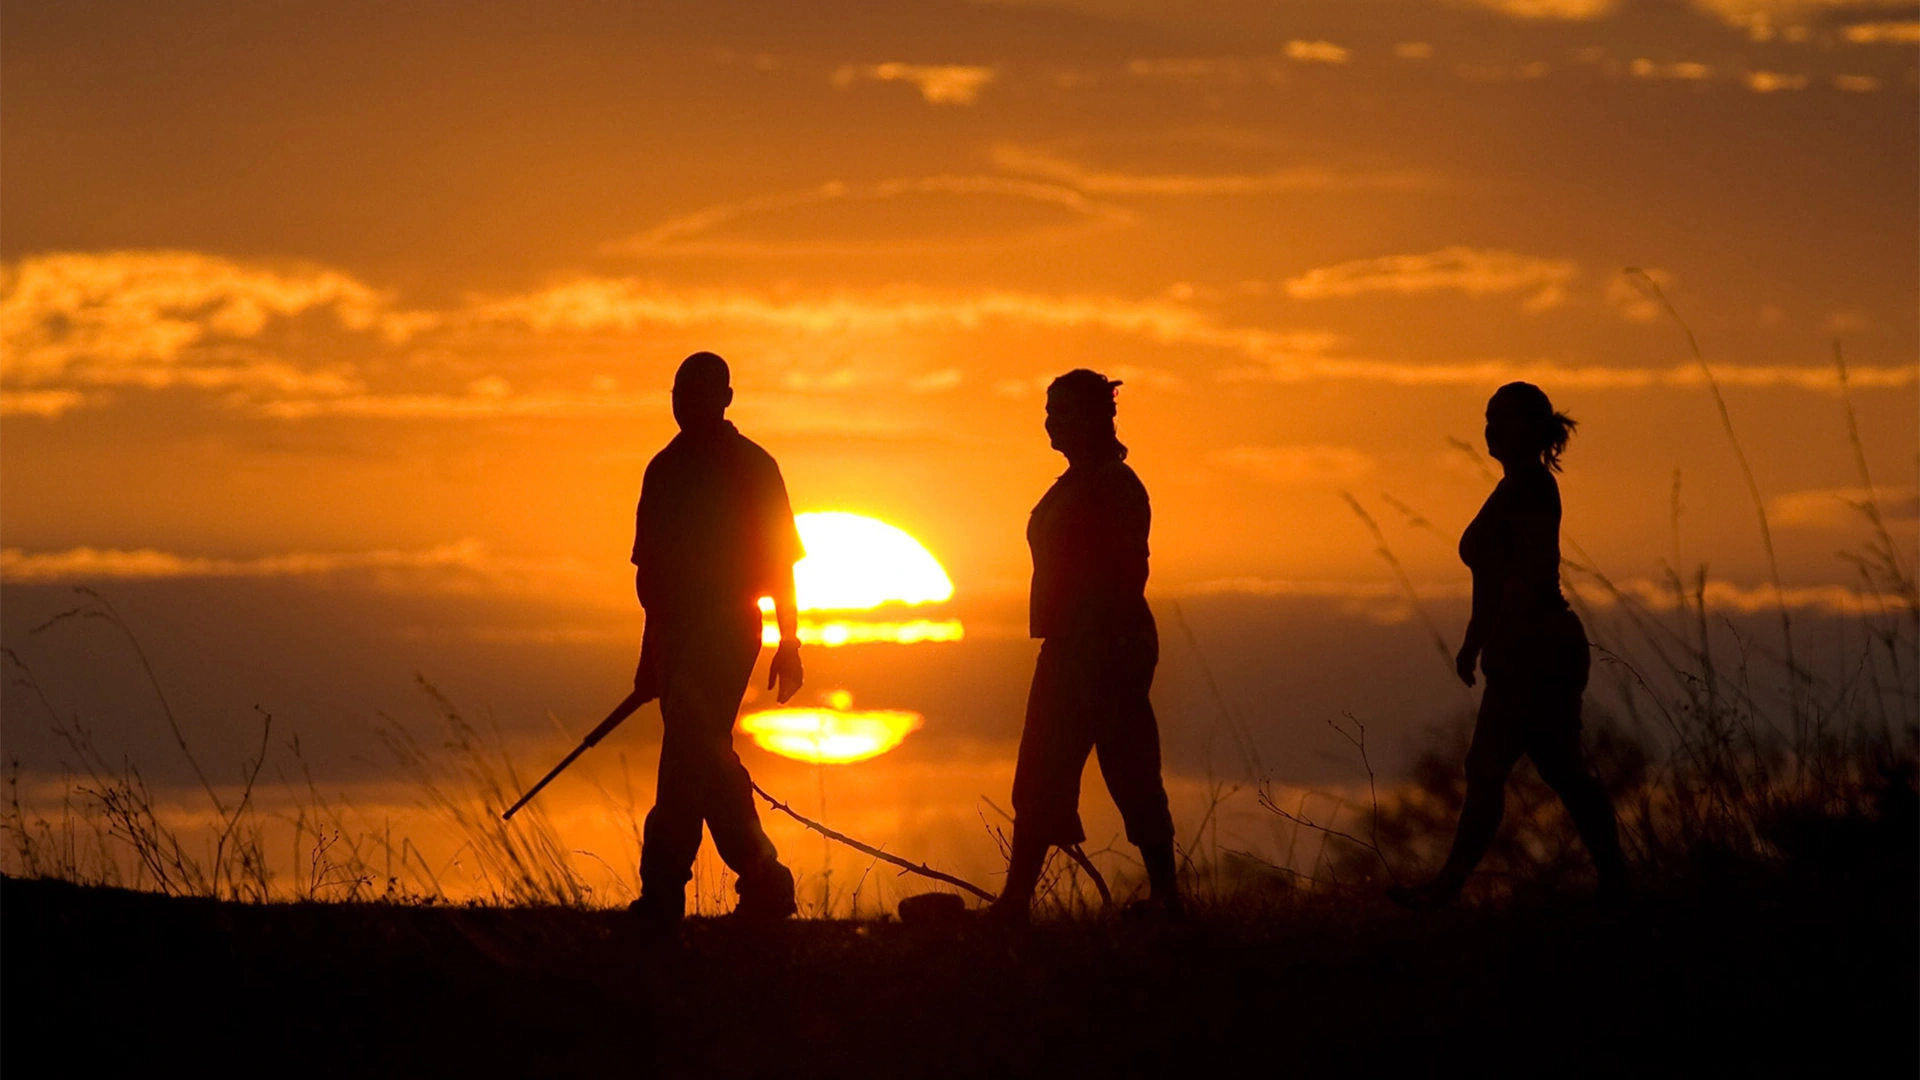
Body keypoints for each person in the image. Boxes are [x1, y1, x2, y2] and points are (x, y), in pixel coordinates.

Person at [1388, 382, 1626, 908]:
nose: (1492, 429)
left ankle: (1449, 887)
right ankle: (1616, 882)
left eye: (1505, 418)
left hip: (1537, 647)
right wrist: (1476, 640)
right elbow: (1490, 578)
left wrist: (1502, 639)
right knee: (1553, 769)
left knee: (1493, 767)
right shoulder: (1513, 486)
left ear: (1532, 428)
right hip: (1522, 644)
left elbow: (1526, 572)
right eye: (1489, 418)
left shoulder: (1532, 487)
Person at [987, 369, 1181, 922]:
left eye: (1063, 412)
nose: (1051, 422)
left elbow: (1130, 568)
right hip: (1067, 646)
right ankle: (1016, 902)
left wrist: (1111, 643)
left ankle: (1167, 898)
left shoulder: (1114, 486)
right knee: (1040, 771)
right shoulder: (1073, 484)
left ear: (1097, 419)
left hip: (1106, 647)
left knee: (1130, 769)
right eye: (1049, 411)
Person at [628, 351, 806, 926]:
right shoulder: (663, 469)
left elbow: (780, 565)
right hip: (673, 635)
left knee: (684, 759)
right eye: (679, 394)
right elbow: (651, 577)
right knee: (704, 760)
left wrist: (790, 642)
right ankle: (766, 882)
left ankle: (661, 899)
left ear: (726, 399)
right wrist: (650, 658)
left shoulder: (754, 467)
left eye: (700, 394)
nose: (687, 405)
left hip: (728, 631)